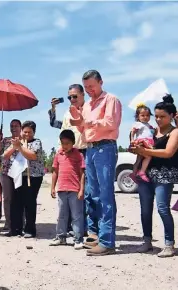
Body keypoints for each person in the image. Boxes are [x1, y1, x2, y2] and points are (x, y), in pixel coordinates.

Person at [69, 70, 122, 256]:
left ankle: (107, 242)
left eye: (92, 86)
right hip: (90, 148)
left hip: (105, 147)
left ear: (101, 82)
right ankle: (96, 236)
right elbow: (83, 126)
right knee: (93, 194)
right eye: (86, 87)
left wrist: (87, 120)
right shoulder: (88, 104)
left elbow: (110, 123)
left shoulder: (111, 100)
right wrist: (77, 119)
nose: (89, 90)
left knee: (106, 195)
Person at [131, 94, 177, 258]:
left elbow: (168, 152)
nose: (158, 119)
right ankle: (147, 241)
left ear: (171, 116)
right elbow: (141, 150)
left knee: (163, 208)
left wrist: (145, 151)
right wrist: (136, 152)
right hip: (146, 175)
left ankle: (169, 244)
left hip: (164, 176)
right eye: (156, 116)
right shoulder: (150, 130)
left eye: (162, 116)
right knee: (145, 210)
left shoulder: (174, 132)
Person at [48, 84, 87, 236]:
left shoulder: (88, 111)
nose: (72, 99)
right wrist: (53, 109)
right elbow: (55, 125)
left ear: (83, 95)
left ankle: (83, 229)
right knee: (67, 194)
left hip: (83, 151)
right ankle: (71, 229)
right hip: (66, 154)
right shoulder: (66, 114)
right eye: (69, 97)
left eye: (75, 96)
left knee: (82, 191)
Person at [7, 121, 45, 239]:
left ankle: (30, 229)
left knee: (29, 203)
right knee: (16, 203)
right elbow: (5, 154)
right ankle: (15, 229)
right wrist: (16, 146)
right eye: (25, 131)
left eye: (30, 132)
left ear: (34, 132)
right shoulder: (18, 142)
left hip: (33, 176)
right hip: (19, 176)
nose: (27, 134)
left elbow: (32, 155)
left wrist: (20, 147)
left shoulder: (36, 142)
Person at [50, 130, 85, 249]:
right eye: (62, 143)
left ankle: (78, 239)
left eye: (67, 143)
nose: (65, 146)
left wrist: (81, 190)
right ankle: (61, 237)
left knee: (77, 216)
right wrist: (52, 187)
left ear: (73, 143)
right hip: (61, 190)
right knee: (62, 215)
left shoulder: (79, 155)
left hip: (75, 190)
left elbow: (82, 173)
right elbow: (55, 171)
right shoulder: (58, 155)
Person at [1, 119, 22, 230]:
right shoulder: (6, 140)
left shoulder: (25, 140)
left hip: (20, 173)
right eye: (11, 126)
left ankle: (20, 222)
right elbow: (4, 155)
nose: (13, 128)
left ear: (21, 127)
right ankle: (8, 222)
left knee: (20, 198)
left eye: (16, 126)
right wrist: (13, 146)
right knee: (7, 198)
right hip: (6, 172)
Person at [129, 104, 155, 182]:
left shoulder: (149, 125)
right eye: (142, 115)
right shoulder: (138, 124)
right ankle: (142, 172)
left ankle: (133, 174)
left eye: (147, 115)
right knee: (148, 156)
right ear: (138, 116)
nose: (145, 117)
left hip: (146, 141)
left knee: (139, 159)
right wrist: (132, 140)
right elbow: (132, 132)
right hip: (142, 141)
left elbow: (152, 132)